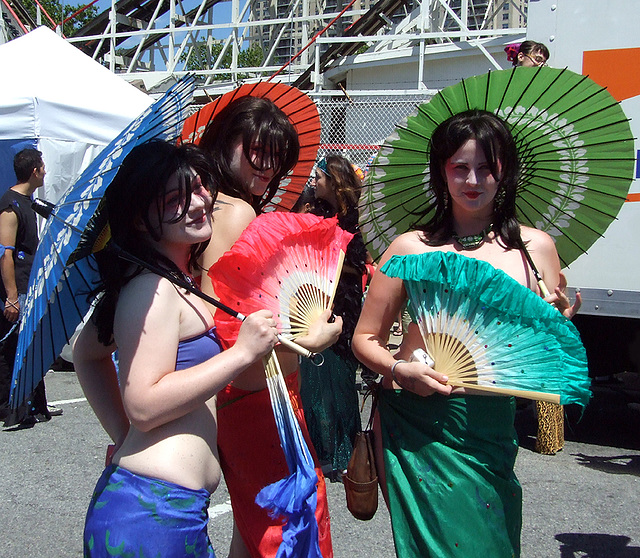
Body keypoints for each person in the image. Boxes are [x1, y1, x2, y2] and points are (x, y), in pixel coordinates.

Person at [351, 110, 579, 557]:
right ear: (441, 172)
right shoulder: (410, 248)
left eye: (486, 167)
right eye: (459, 167)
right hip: (420, 424)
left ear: (505, 171)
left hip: (493, 430)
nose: (473, 179)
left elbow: (549, 358)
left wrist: (559, 321)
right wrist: (400, 370)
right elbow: (364, 338)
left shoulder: (534, 250)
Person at [72, 141, 279, 557]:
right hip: (153, 515)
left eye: (199, 186)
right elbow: (144, 405)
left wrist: (123, 434)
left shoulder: (169, 279)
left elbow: (86, 354)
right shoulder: (153, 289)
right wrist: (239, 354)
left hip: (166, 511)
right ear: (140, 220)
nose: (199, 202)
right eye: (175, 200)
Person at [197, 95, 341, 558]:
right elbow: (235, 324)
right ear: (225, 140)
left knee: (254, 528)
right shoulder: (236, 213)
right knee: (294, 525)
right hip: (260, 394)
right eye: (256, 150)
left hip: (234, 395)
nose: (266, 167)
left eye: (276, 158)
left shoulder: (200, 208)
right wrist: (310, 340)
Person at [297, 155, 369, 479]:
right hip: (314, 302)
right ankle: (320, 449)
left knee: (339, 379)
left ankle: (346, 450)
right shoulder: (313, 211)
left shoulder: (356, 219)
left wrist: (337, 259)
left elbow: (359, 263)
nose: (315, 180)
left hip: (344, 303)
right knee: (314, 379)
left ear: (334, 181)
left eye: (320, 176)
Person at [0, 148, 61, 427]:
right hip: (18, 291)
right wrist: (12, 297)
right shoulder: (10, 206)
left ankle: (36, 404)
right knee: (13, 349)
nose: (45, 171)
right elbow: (6, 254)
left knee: (31, 345)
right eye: (43, 167)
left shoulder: (28, 202)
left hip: (30, 285)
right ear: (35, 171)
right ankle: (9, 407)